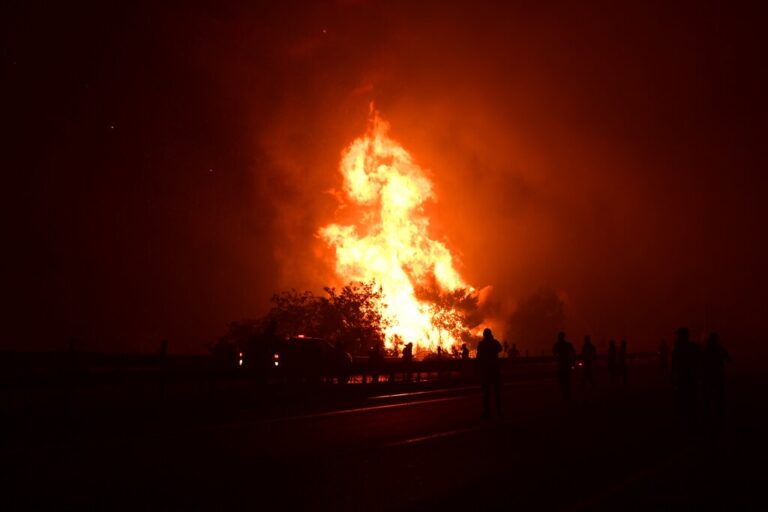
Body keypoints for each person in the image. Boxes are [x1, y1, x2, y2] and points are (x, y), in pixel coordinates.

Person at [671, 327, 700, 421]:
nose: (677, 337)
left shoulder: (680, 348)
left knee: (685, 395)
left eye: (679, 335)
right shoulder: (692, 347)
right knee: (688, 395)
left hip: (686, 375)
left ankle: (686, 415)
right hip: (688, 375)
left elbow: (675, 363)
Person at [701, 332, 730, 423]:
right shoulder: (719, 349)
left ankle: (707, 412)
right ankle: (718, 412)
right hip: (717, 375)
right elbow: (729, 359)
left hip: (708, 375)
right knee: (718, 395)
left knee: (707, 395)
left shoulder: (706, 349)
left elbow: (700, 361)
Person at [477, 328, 503, 419]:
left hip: (486, 371)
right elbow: (500, 349)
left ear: (484, 335)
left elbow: (478, 357)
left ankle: (487, 412)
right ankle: (498, 411)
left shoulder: (482, 344)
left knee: (486, 393)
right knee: (496, 392)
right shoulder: (494, 342)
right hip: (494, 370)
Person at [553, 332, 576, 404]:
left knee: (562, 381)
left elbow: (554, 353)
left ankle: (564, 397)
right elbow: (573, 352)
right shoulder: (568, 344)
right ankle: (568, 396)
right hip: (567, 364)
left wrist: (558, 358)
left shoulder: (557, 345)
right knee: (567, 381)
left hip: (561, 365)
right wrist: (572, 362)